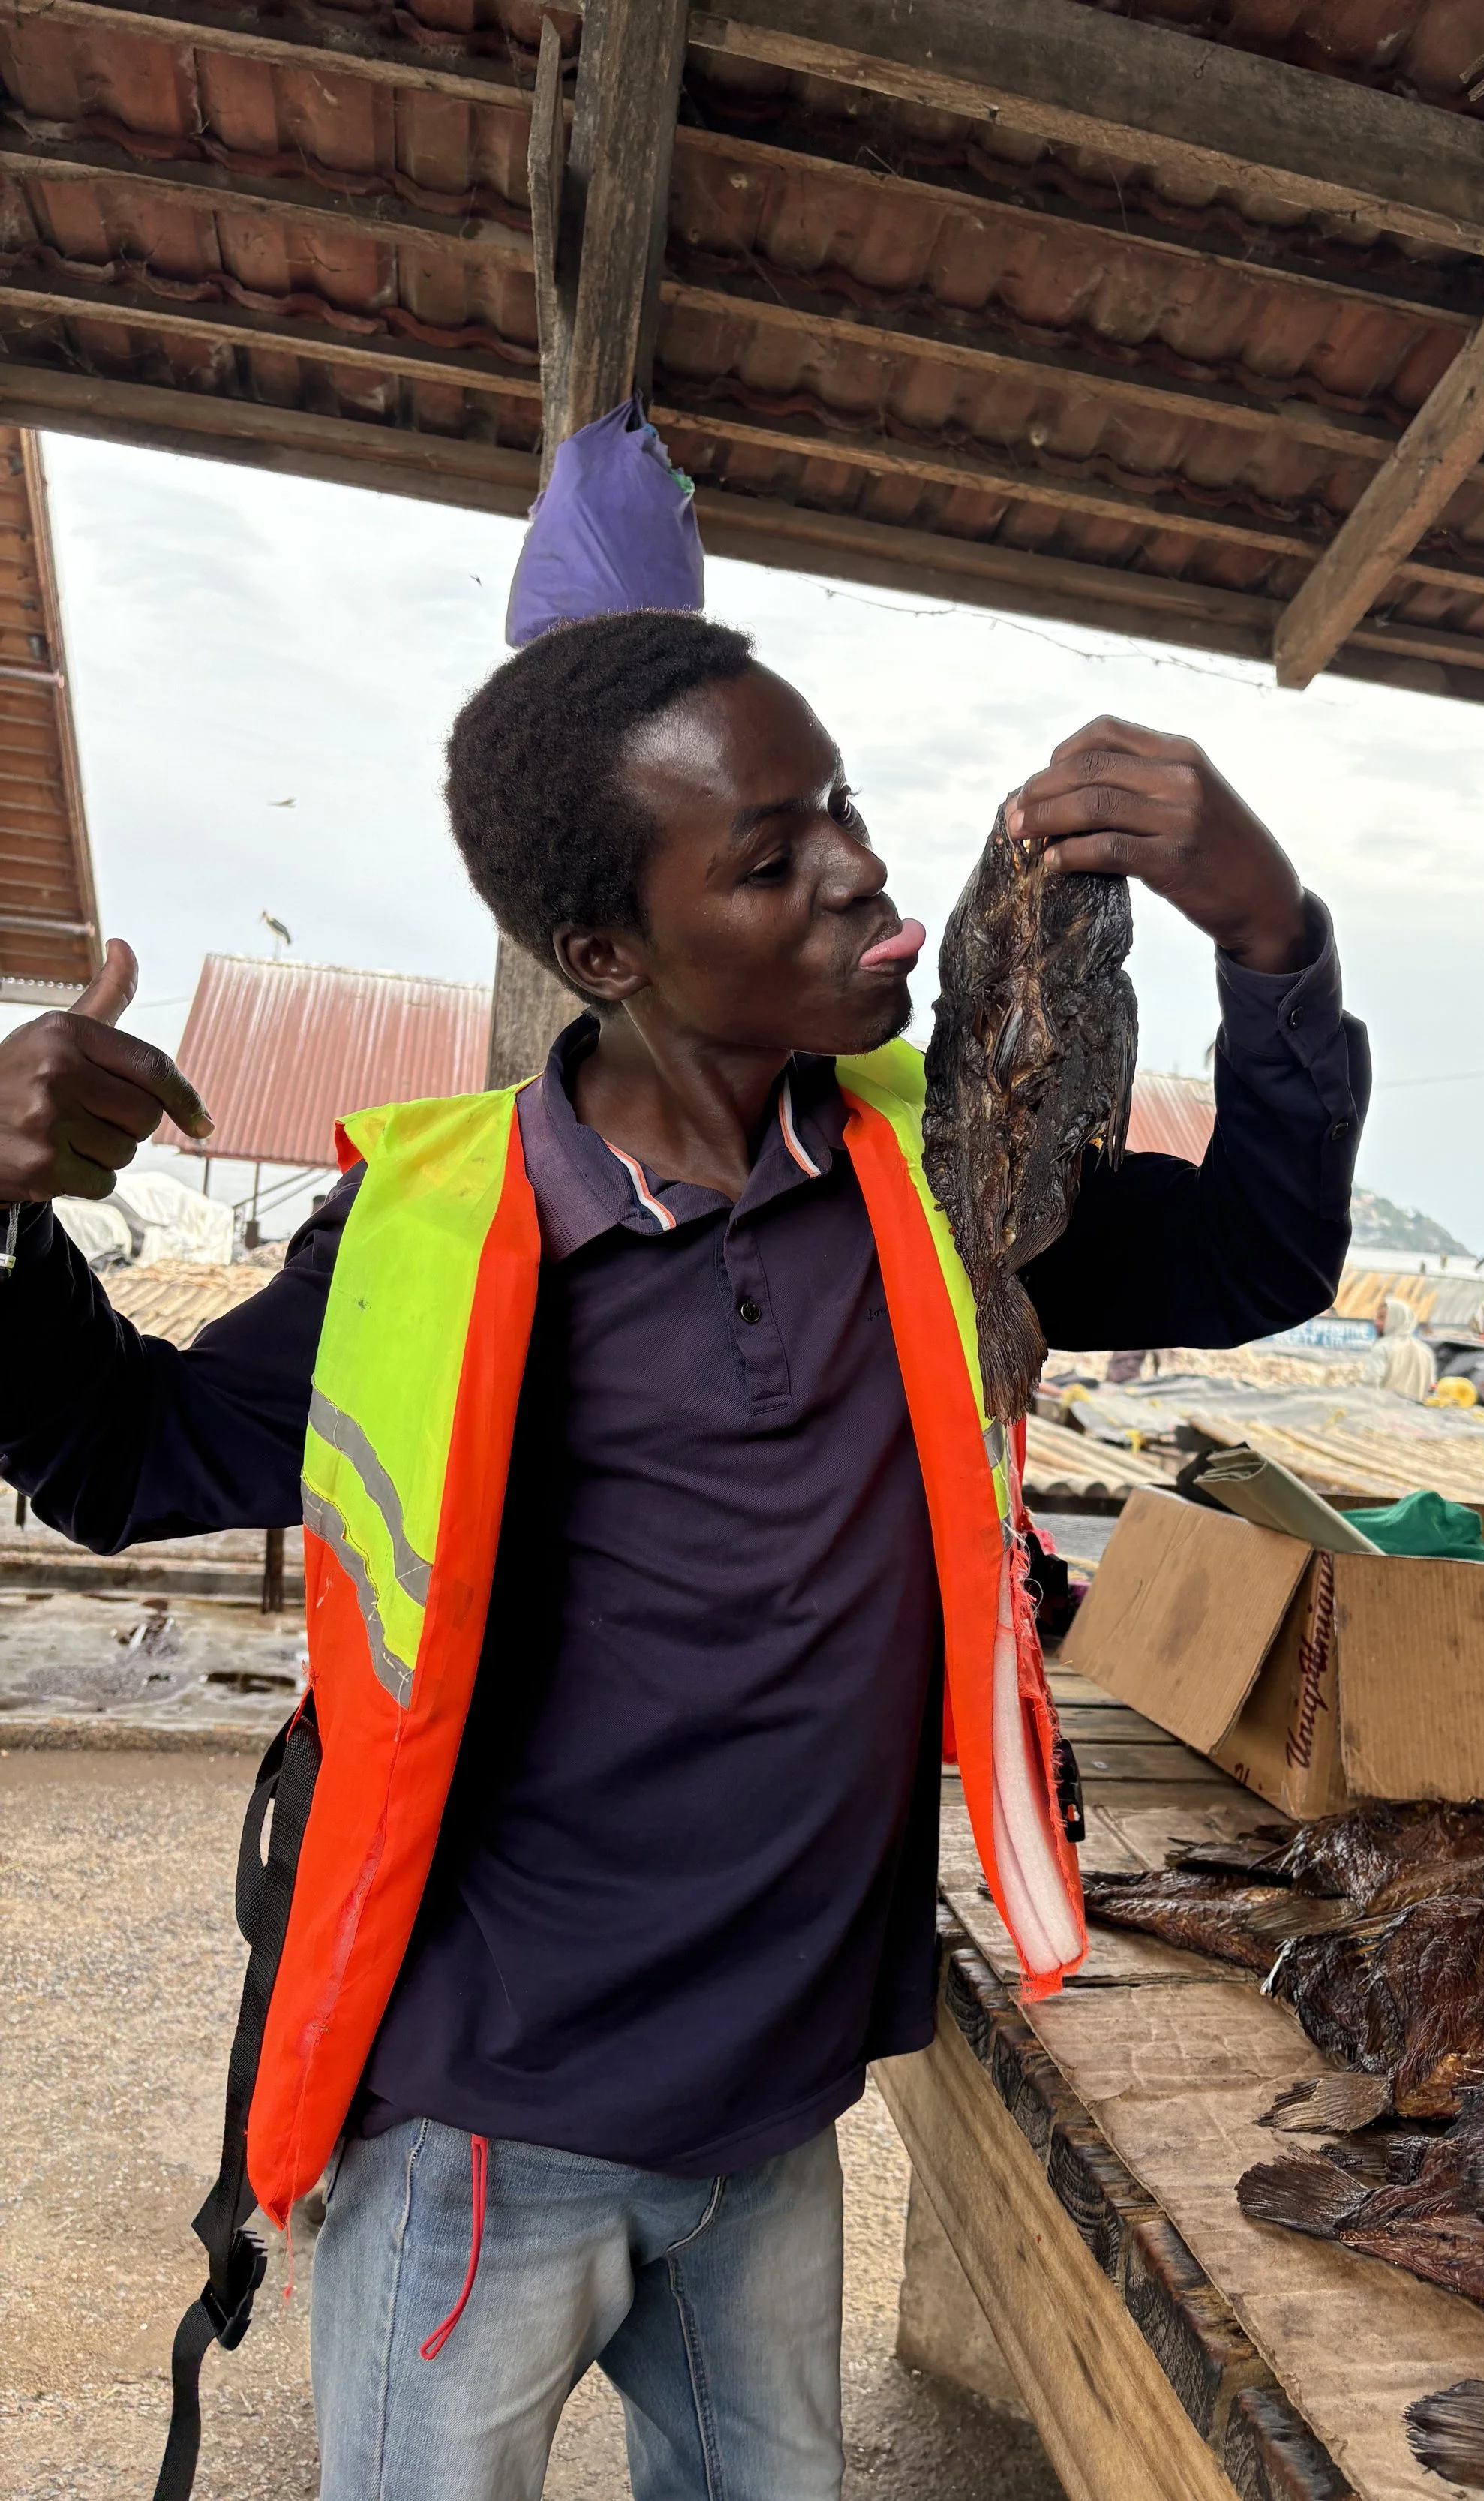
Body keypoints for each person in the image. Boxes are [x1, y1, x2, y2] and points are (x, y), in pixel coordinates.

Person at [0, 614, 1368, 2501]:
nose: (859, 873)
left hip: (774, 2125)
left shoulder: (946, 1189)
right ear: (605, 952)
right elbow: (124, 1453)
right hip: (483, 2125)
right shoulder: (433, 1234)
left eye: (847, 815)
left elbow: (1264, 1260)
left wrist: (1271, 926)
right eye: (768, 853)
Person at [1371, 1296, 1435, 1402]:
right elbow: (1431, 1389)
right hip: (1415, 1415)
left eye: (1382, 1318)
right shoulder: (1425, 1351)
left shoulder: (1382, 1348)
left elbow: (1369, 1387)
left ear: (1396, 1319)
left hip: (1384, 1413)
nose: (1376, 1322)